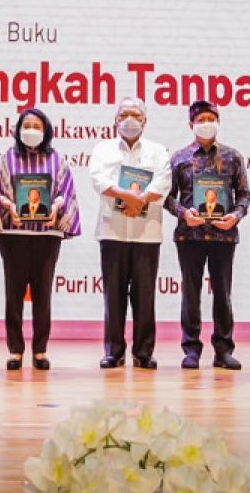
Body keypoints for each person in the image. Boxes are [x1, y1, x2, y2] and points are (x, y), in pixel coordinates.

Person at [0, 109, 81, 371]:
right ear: (18, 129)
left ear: (45, 130)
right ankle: (15, 349)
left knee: (42, 295)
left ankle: (41, 349)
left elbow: (64, 192)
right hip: (14, 234)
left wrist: (56, 207)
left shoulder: (57, 160)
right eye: (27, 125)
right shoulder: (7, 159)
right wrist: (10, 206)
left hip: (47, 236)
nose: (31, 130)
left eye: (37, 125)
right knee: (14, 294)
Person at [164, 100, 250, 371]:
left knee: (223, 293)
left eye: (211, 118)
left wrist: (235, 215)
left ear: (218, 121)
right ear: (191, 124)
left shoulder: (232, 156)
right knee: (191, 293)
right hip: (189, 235)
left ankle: (224, 350)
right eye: (200, 119)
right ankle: (191, 350)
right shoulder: (178, 158)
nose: (206, 123)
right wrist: (183, 213)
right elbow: (167, 197)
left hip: (224, 236)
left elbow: (244, 195)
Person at [88, 97, 172, 369]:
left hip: (146, 233)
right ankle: (114, 351)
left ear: (145, 122)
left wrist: (141, 201)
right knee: (113, 296)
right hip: (112, 230)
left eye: (136, 115)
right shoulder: (102, 149)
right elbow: (98, 179)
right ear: (115, 120)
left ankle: (144, 352)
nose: (129, 119)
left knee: (145, 296)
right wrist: (127, 196)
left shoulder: (158, 151)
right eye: (124, 114)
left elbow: (163, 181)